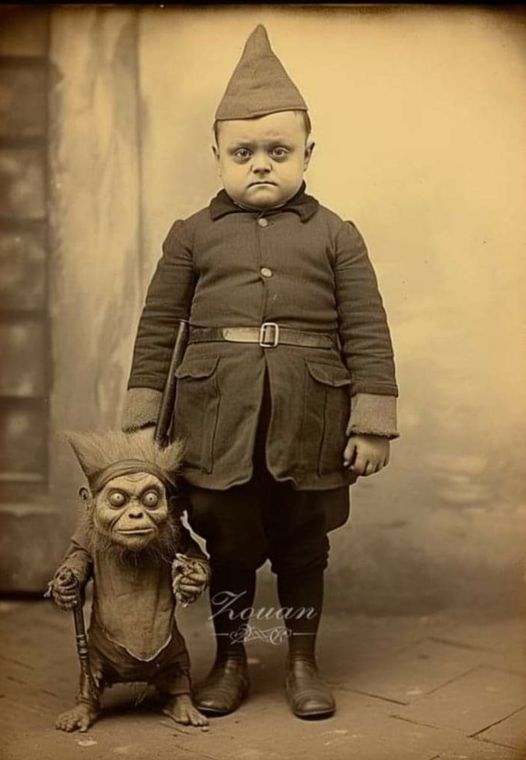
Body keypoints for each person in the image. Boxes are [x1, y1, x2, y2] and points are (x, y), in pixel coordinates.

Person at [122, 24, 399, 720]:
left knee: (304, 545)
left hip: (311, 420)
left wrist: (372, 423)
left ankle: (303, 662)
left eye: (279, 151)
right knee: (230, 545)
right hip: (216, 422)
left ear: (308, 153)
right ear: (216, 155)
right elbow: (158, 327)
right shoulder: (192, 234)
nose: (261, 166)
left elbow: (368, 330)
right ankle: (231, 661)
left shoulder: (337, 234)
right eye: (242, 153)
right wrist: (142, 421)